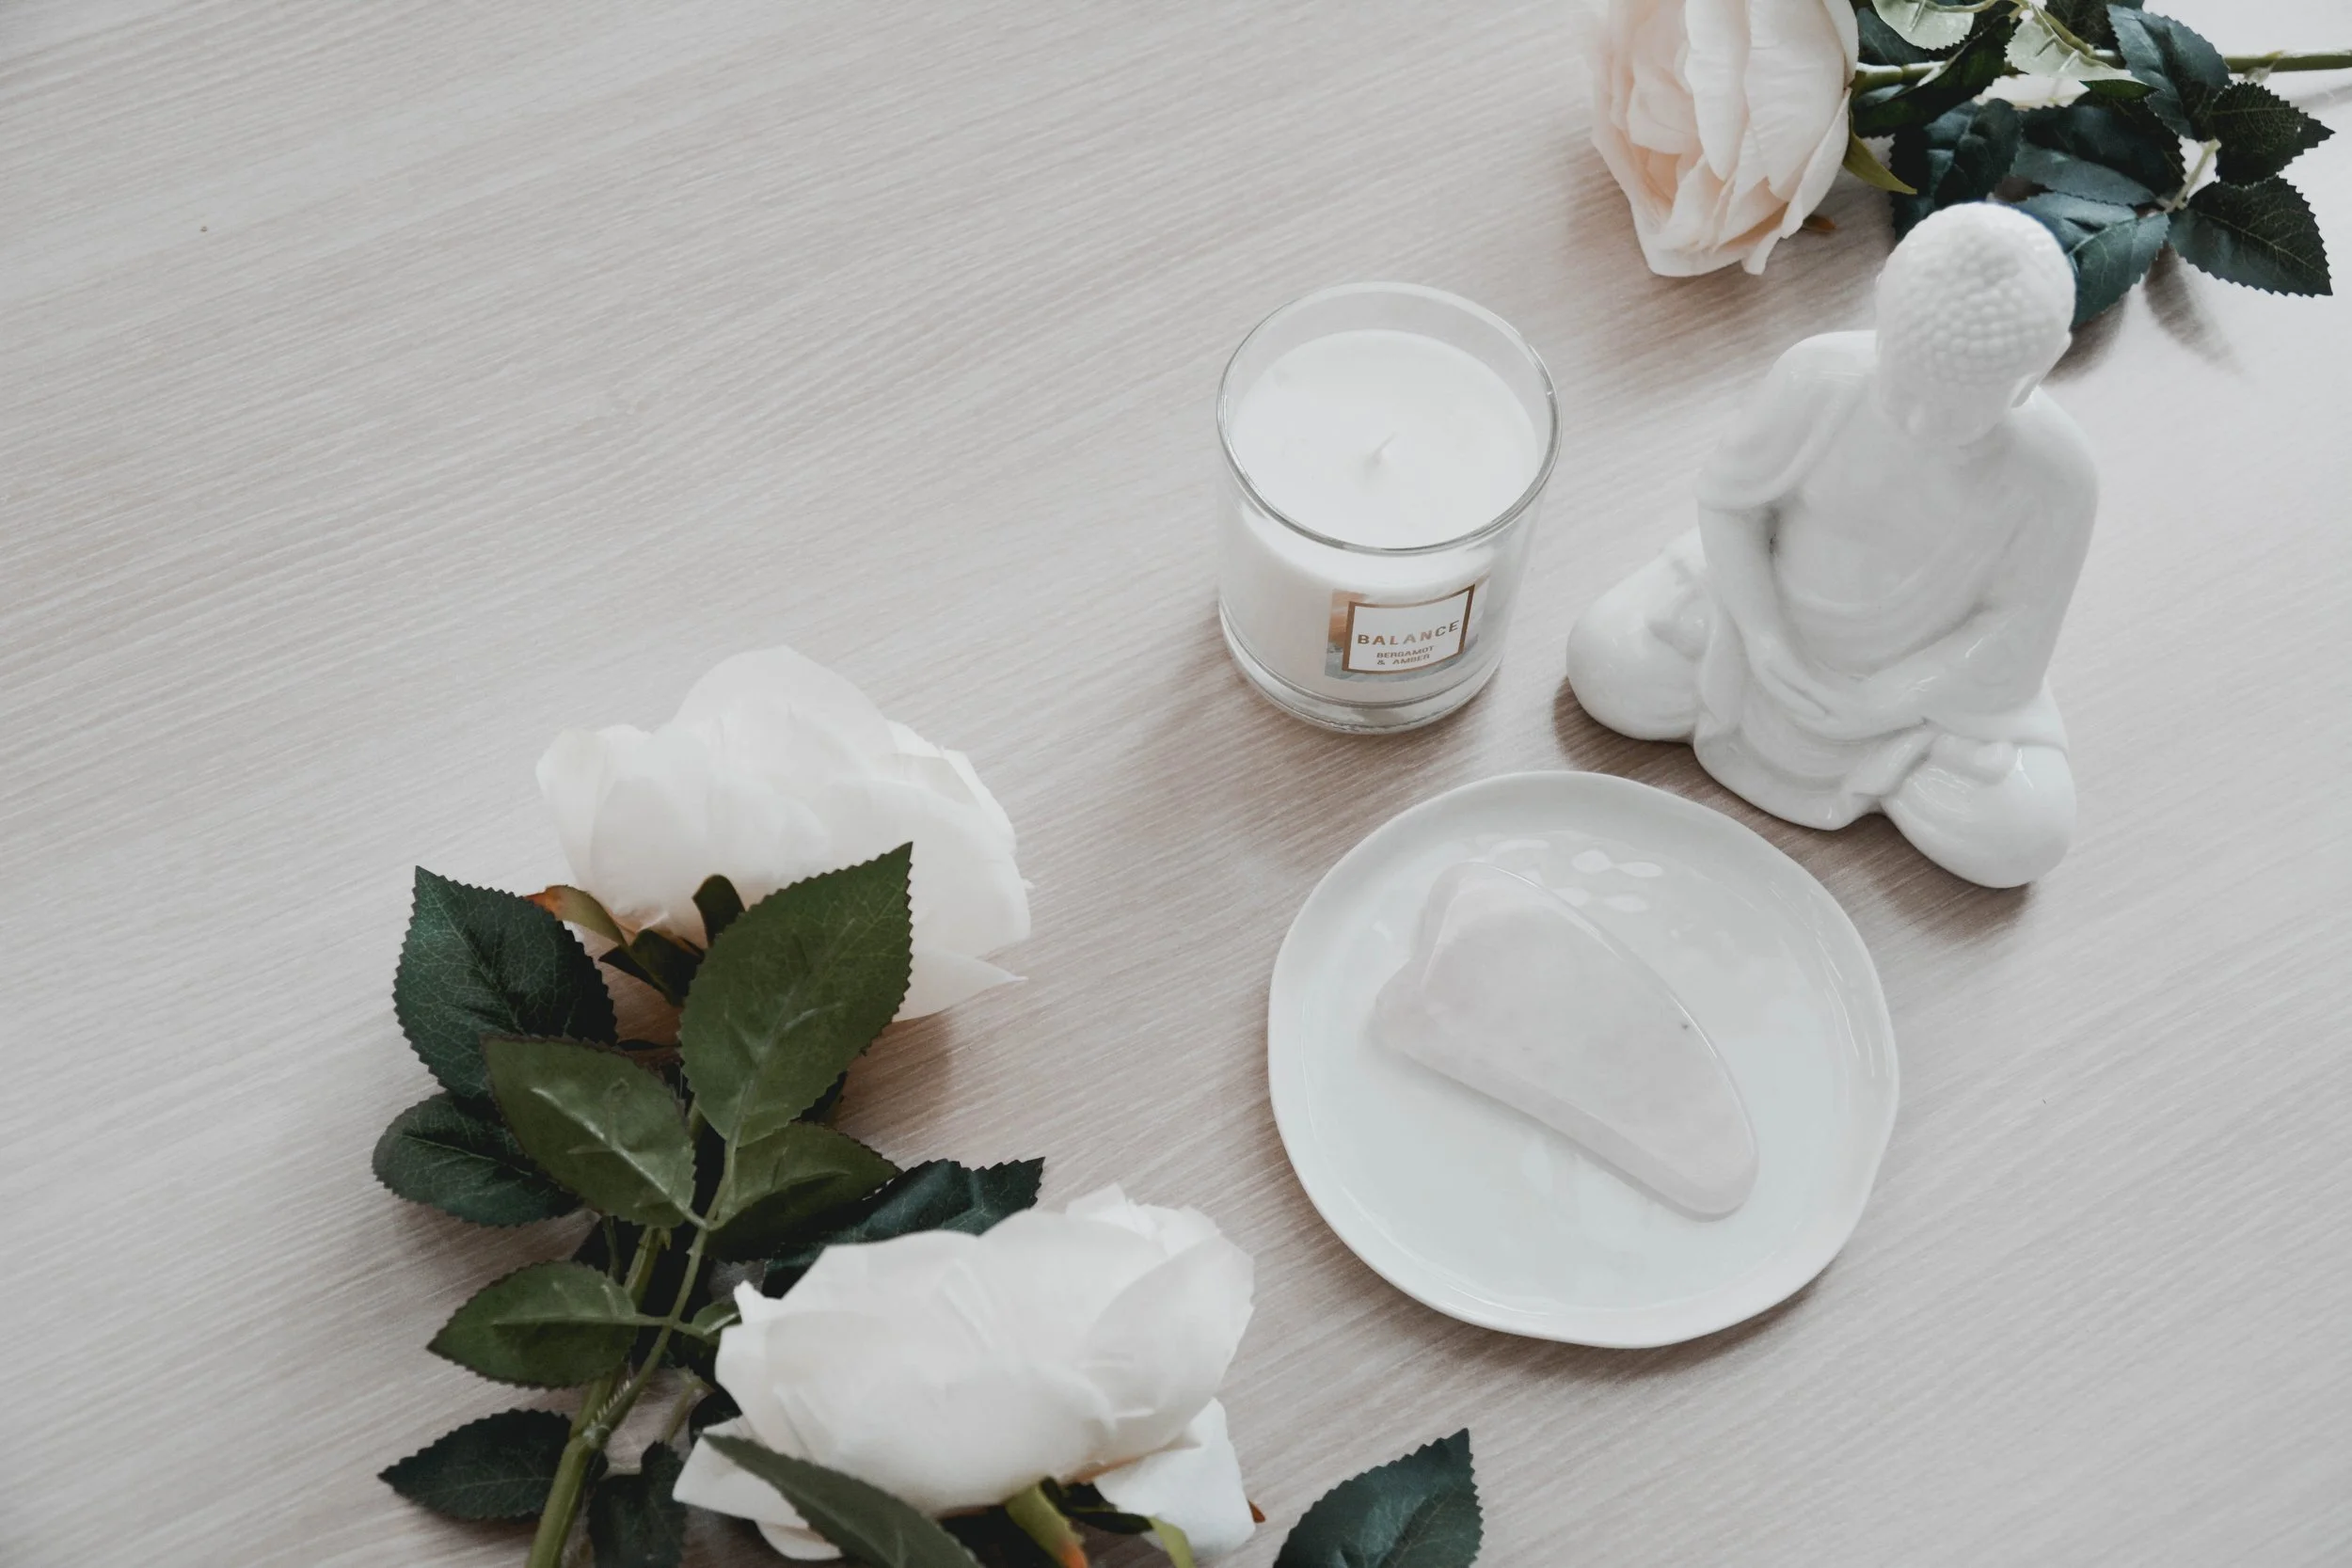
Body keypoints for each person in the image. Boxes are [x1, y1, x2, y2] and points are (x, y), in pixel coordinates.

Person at [1565, 203, 2097, 888]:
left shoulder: (2056, 478)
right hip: (1758, 621)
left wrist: (1890, 699)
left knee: (2026, 834)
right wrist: (1762, 632)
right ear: (1881, 305)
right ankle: (1737, 681)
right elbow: (1732, 507)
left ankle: (1890, 766)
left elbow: (2017, 635)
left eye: (1959, 407)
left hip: (1918, 697)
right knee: (1606, 658)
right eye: (1903, 385)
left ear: (2041, 366)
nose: (1917, 422)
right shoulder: (1818, 378)